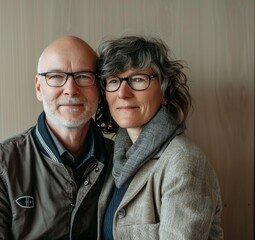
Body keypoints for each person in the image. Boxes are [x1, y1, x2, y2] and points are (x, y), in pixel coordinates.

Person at [0, 35, 113, 239]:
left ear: (99, 88)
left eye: (84, 76)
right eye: (56, 77)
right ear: (39, 87)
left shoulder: (120, 160)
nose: (70, 89)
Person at [95, 36, 223, 240]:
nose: (122, 92)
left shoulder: (183, 163)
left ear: (164, 91)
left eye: (137, 79)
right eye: (113, 81)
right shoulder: (113, 159)